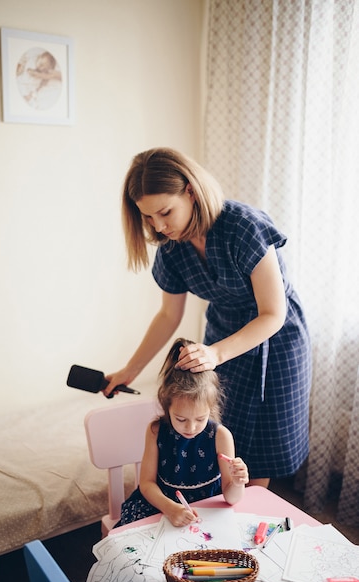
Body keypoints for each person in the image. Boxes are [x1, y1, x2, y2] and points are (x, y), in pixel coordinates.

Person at [106, 147, 312, 489]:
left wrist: (215, 353)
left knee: (262, 449)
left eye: (164, 212)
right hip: (223, 329)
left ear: (190, 190)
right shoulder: (171, 244)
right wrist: (130, 370)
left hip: (275, 339)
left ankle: (248, 521)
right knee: (224, 434)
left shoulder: (243, 228)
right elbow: (169, 315)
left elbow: (273, 313)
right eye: (147, 217)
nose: (158, 226)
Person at [116, 338, 249, 527]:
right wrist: (170, 508)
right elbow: (146, 484)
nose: (191, 428)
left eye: (200, 419)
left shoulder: (221, 436)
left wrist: (237, 482)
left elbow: (231, 498)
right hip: (161, 505)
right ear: (166, 406)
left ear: (210, 409)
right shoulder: (156, 431)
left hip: (206, 512)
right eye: (181, 419)